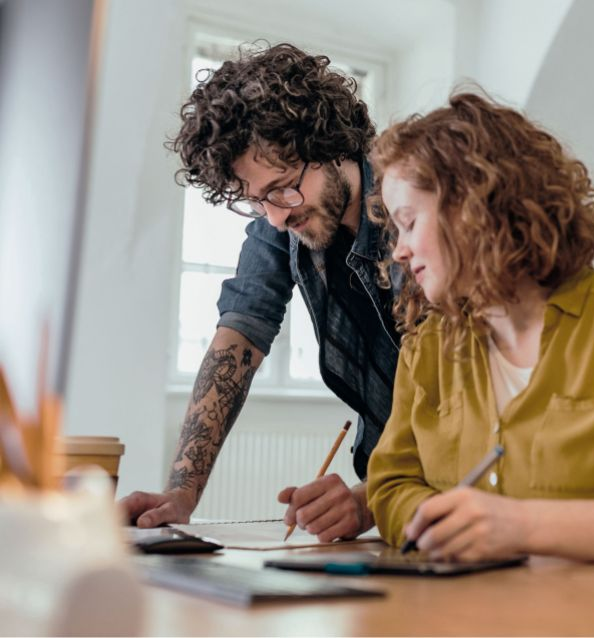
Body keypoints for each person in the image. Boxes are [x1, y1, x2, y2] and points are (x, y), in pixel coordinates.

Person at [366, 92, 594, 566]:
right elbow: (390, 485)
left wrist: (519, 527)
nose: (399, 251)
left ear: (472, 207)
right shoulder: (426, 349)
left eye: (408, 222)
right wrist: (443, 525)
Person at [119, 43, 399, 542]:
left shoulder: (413, 209)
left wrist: (368, 498)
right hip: (396, 487)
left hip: (460, 479)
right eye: (256, 201)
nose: (276, 216)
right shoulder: (283, 219)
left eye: (283, 187)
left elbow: (459, 394)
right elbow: (238, 339)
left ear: (332, 144)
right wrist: (181, 493)